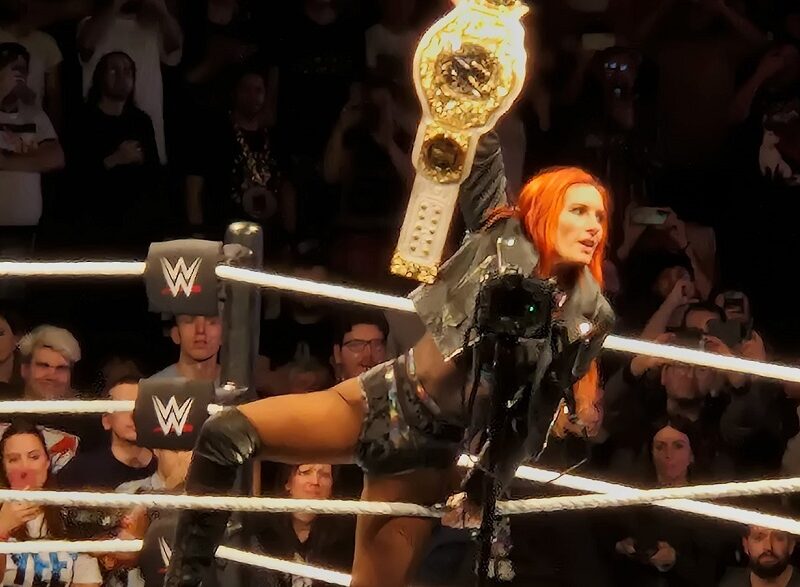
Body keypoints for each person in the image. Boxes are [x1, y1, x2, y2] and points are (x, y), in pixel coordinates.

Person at [165, 131, 615, 587]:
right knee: (225, 433)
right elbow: (479, 147)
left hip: (425, 455)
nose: (593, 226)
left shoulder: (589, 317)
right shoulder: (500, 232)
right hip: (382, 395)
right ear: (545, 209)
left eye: (599, 216)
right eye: (579, 211)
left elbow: (531, 419)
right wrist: (479, 94)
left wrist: (483, 487)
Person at [73, 50, 161, 250]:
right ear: (100, 76)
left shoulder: (141, 121)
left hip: (136, 226)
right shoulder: (82, 119)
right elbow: (75, 176)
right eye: (114, 70)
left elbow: (154, 174)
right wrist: (115, 159)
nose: (122, 75)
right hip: (94, 226)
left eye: (127, 70)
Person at [78, 0, 183, 164]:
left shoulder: (154, 25)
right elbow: (86, 45)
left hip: (147, 129)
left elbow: (174, 47)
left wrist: (161, 10)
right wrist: (116, 3)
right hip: (100, 130)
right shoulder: (91, 23)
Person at [0, 419, 102, 587]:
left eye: (34, 457)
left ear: (47, 462)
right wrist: (2, 529)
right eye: (14, 459)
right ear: (4, 468)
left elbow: (87, 581)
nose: (25, 467)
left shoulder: (69, 516)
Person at [244, 464, 355, 587]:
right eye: (305, 472)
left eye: (324, 475)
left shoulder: (346, 537)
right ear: (288, 482)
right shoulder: (262, 533)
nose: (315, 481)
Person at [57, 376, 155, 490]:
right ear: (107, 420)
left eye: (141, 407)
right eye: (123, 407)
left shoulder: (167, 467)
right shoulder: (79, 471)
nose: (133, 415)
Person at [720, 525, 800, 586]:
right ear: (746, 545)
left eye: (778, 538)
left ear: (791, 545)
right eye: (758, 537)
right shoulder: (730, 583)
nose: (768, 547)